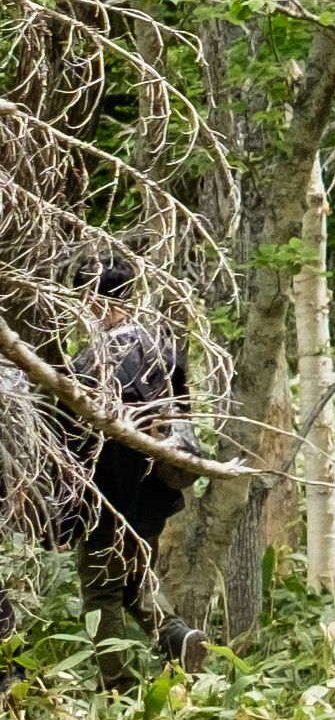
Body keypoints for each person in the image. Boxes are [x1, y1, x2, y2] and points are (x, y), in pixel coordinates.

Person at [69, 254, 192, 667]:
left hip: (109, 495)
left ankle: (115, 688)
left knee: (101, 591)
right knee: (136, 577)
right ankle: (178, 638)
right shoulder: (162, 346)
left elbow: (80, 434)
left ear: (93, 299)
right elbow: (182, 411)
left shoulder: (95, 360)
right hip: (155, 491)